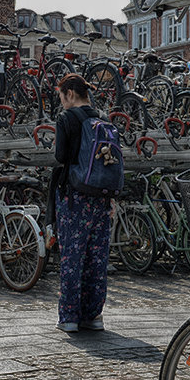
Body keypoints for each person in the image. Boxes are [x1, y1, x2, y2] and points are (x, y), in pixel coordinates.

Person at [51, 73, 113, 332]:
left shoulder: (66, 119)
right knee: (97, 258)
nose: (62, 103)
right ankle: (94, 316)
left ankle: (69, 318)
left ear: (70, 94)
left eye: (62, 97)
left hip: (74, 196)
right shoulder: (104, 120)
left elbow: (61, 156)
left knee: (72, 258)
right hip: (101, 197)